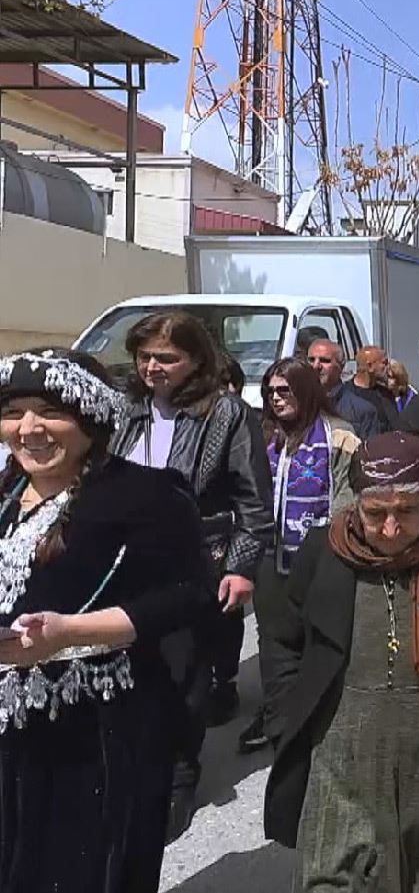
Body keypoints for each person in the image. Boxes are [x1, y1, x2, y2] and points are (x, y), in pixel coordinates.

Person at [262, 433, 419, 891]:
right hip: (340, 754)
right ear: (356, 505)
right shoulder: (325, 550)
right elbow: (284, 640)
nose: (390, 528)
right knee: (328, 879)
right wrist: (287, 720)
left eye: (406, 512)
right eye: (375, 513)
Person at [0, 348, 213, 891]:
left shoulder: (145, 495)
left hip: (99, 734)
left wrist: (70, 634)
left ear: (92, 418)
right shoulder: (5, 495)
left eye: (50, 411)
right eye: (13, 411)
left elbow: (190, 596)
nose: (28, 429)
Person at [109, 309, 273, 836]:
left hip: (194, 561)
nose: (153, 367)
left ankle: (181, 772)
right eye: (145, 357)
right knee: (124, 668)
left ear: (196, 360)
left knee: (185, 675)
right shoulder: (124, 407)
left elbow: (253, 501)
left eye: (167, 358)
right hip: (120, 564)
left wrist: (243, 568)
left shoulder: (226, 414)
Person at [237, 358, 361, 754]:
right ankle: (281, 732)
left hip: (320, 562)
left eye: (285, 390)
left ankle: (319, 732)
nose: (276, 399)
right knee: (275, 649)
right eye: (271, 392)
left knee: (318, 647)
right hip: (271, 562)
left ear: (305, 390)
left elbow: (347, 496)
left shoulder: (339, 436)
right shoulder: (264, 436)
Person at [307, 339, 383, 441]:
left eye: (325, 360)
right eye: (311, 360)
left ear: (341, 366)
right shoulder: (296, 406)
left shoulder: (363, 412)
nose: (316, 366)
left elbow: (371, 453)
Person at [352, 345, 402, 434]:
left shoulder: (386, 394)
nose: (388, 367)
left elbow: (395, 426)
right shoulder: (345, 394)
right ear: (370, 366)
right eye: (384, 363)